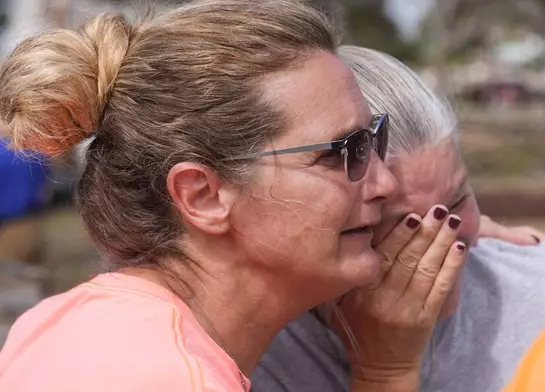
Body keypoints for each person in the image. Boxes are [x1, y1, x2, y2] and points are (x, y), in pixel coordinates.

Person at [0, 3, 467, 391]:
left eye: (374, 137)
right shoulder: (172, 378)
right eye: (345, 151)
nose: (384, 183)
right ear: (202, 196)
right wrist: (388, 373)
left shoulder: (70, 323)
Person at [250, 46, 545, 392]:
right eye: (402, 225)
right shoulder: (254, 351)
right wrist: (384, 373)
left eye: (456, 201)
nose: (446, 242)